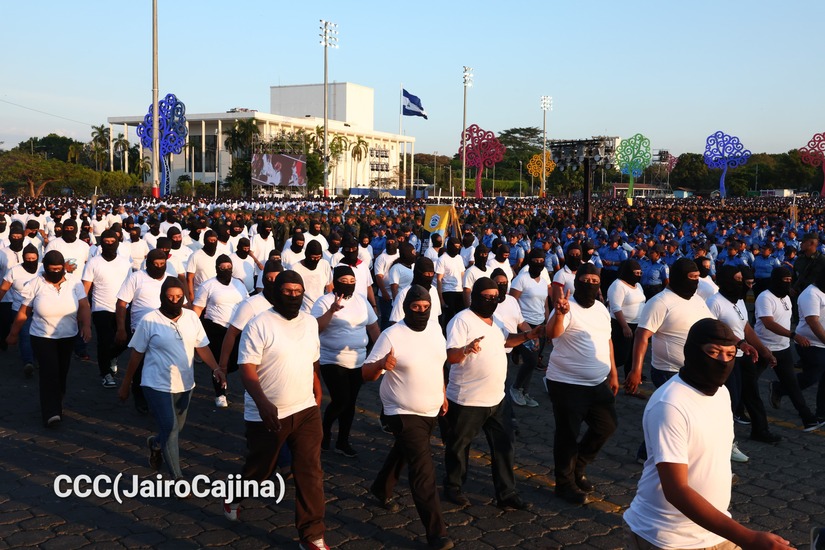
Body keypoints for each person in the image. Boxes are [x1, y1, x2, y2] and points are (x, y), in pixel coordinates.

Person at [623, 319, 794, 550]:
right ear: (692, 351)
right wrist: (748, 538)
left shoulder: (721, 393)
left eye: (730, 354)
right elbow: (676, 490)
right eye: (713, 352)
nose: (723, 361)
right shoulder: (670, 405)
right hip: (667, 538)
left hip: (714, 530)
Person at [224, 271, 328, 550]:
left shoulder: (309, 322)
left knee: (310, 471)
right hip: (267, 414)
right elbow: (246, 370)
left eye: (298, 291)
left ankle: (312, 535)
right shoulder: (258, 324)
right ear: (276, 292)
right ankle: (234, 496)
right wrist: (262, 402)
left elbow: (313, 360)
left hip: (305, 409)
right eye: (288, 291)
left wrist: (318, 389)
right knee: (261, 470)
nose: (294, 296)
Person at [362, 285, 453, 550]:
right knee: (423, 468)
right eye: (416, 307)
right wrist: (381, 365)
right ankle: (437, 533)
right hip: (401, 411)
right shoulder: (392, 335)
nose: (421, 312)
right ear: (406, 307)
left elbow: (437, 365)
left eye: (426, 307)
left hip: (431, 408)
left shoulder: (436, 330)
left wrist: (443, 393)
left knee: (404, 450)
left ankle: (381, 487)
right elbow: (366, 373)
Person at [442, 277, 541, 510]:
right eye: (485, 297)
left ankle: (507, 494)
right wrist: (466, 349)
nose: (490, 301)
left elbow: (507, 341)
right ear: (475, 296)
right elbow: (450, 356)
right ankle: (453, 486)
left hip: (497, 398)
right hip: (468, 398)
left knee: (505, 446)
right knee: (459, 447)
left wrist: (528, 335)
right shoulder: (461, 321)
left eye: (494, 298)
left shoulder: (495, 320)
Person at [118, 277, 225, 479]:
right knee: (170, 427)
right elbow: (136, 355)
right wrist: (126, 385)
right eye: (170, 297)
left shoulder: (192, 317)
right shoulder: (149, 320)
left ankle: (156, 443)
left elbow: (201, 346)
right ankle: (178, 478)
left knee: (175, 429)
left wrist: (216, 368)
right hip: (155, 383)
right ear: (162, 297)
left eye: (179, 297)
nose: (174, 301)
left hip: (185, 384)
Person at [545, 263, 619, 504]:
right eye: (585, 281)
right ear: (576, 283)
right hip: (567, 383)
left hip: (598, 383)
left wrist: (614, 373)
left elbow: (607, 340)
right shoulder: (567, 307)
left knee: (606, 426)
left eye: (594, 281)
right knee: (568, 435)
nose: (590, 285)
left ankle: (579, 466)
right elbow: (552, 334)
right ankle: (564, 484)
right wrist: (560, 313)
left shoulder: (600, 308)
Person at [7, 250, 92, 427]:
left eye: (59, 269)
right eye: (52, 269)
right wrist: (14, 333)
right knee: (49, 372)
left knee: (62, 371)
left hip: (67, 335)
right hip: (42, 336)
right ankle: (50, 412)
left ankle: (57, 400)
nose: (56, 272)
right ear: (45, 268)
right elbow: (24, 312)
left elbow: (84, 305)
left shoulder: (74, 283)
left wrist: (86, 325)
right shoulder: (35, 283)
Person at [312, 265, 379, 457]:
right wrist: (332, 311)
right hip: (332, 359)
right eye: (344, 281)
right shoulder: (324, 301)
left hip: (358, 360)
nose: (349, 285)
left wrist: (381, 350)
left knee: (350, 403)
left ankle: (343, 441)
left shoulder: (361, 301)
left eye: (352, 282)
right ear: (336, 282)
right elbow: (315, 327)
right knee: (341, 400)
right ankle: (323, 432)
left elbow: (373, 327)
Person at [708, 266, 778, 449]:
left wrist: (764, 351)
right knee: (732, 399)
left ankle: (760, 430)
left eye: (742, 279)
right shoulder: (714, 302)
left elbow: (746, 328)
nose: (740, 283)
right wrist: (739, 343)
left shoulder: (738, 301)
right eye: (736, 279)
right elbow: (713, 331)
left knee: (752, 394)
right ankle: (724, 442)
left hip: (744, 354)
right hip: (726, 357)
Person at [757, 267, 822, 431]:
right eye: (783, 280)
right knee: (748, 384)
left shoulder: (786, 297)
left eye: (789, 280)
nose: (787, 283)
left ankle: (808, 419)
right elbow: (768, 323)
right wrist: (793, 335)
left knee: (793, 385)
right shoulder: (765, 297)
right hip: (764, 348)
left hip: (783, 348)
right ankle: (738, 411)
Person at [191, 254, 249, 408]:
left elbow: (247, 305)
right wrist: (192, 330)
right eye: (223, 268)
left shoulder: (239, 285)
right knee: (217, 362)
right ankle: (220, 393)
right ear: (217, 269)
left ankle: (225, 377)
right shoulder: (207, 286)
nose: (226, 270)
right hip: (216, 327)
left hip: (237, 328)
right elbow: (197, 308)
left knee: (235, 362)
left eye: (229, 268)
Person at [81, 230, 132, 388]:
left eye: (113, 242)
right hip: (101, 308)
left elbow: (131, 286)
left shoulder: (125, 262)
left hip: (123, 307)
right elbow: (85, 289)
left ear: (118, 243)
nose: (109, 245)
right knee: (104, 341)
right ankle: (106, 374)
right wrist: (84, 314)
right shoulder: (93, 262)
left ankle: (110, 357)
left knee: (126, 340)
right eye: (106, 242)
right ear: (101, 243)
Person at [508, 249, 550, 407]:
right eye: (535, 260)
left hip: (540, 325)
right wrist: (520, 325)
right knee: (531, 361)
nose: (539, 264)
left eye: (541, 261)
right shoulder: (521, 279)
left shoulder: (544, 282)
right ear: (529, 261)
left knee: (534, 360)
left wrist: (547, 322)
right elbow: (512, 302)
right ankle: (516, 388)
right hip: (525, 325)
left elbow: (545, 304)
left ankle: (525, 392)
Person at [791, 268, 825, 425]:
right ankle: (780, 387)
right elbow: (813, 321)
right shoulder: (811, 294)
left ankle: (821, 414)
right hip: (810, 343)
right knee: (812, 377)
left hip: (821, 344)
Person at [0, 243, 39, 377]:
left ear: (38, 258)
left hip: (39, 310)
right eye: (28, 259)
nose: (31, 262)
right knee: (25, 335)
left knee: (39, 336)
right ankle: (28, 362)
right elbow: (3, 289)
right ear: (23, 258)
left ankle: (37, 358)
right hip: (19, 309)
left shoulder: (42, 269)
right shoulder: (14, 271)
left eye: (33, 259)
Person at [607, 259, 646, 379]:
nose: (638, 276)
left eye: (640, 273)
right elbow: (615, 307)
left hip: (637, 325)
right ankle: (604, 373)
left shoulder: (638, 285)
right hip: (622, 325)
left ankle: (631, 380)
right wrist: (625, 326)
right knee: (621, 355)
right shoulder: (618, 285)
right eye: (636, 273)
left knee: (632, 356)